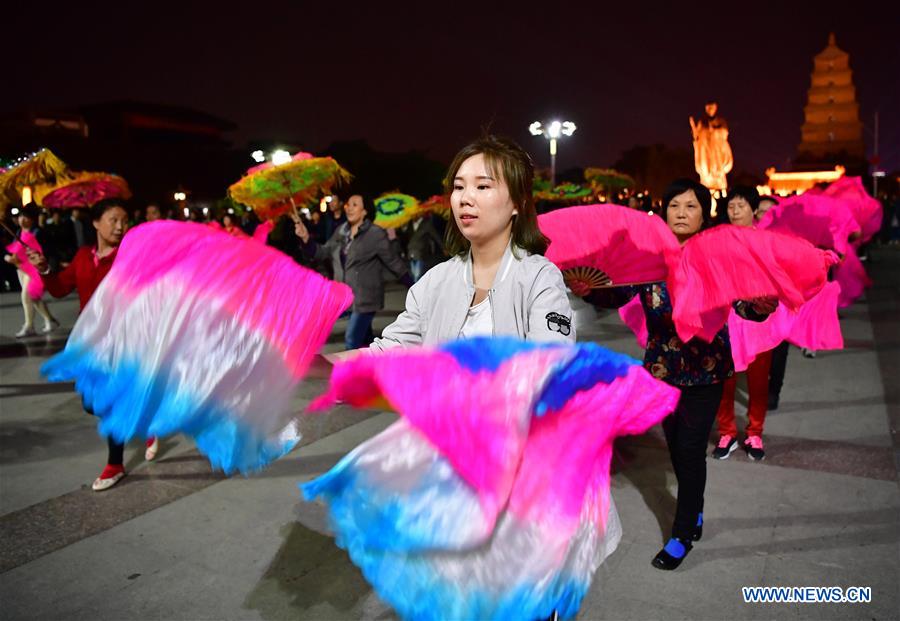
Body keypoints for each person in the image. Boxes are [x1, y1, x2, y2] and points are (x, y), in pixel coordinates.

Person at [586, 179, 776, 570]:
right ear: (664, 212)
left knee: (689, 449)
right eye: (674, 205)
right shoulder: (648, 257)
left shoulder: (718, 256)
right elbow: (617, 292)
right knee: (676, 448)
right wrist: (587, 288)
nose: (682, 213)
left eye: (691, 206)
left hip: (707, 370)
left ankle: (683, 532)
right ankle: (696, 506)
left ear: (704, 215)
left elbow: (745, 305)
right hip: (662, 370)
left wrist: (761, 305)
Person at [369, 135, 574, 349]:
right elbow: (388, 349)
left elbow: (550, 359)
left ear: (518, 203)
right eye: (458, 187)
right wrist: (342, 359)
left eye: (482, 186)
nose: (465, 198)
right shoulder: (434, 281)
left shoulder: (539, 279)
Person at [27, 199, 158, 491]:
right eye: (114, 220)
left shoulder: (130, 257)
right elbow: (59, 289)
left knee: (109, 400)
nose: (120, 226)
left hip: (124, 340)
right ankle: (145, 421)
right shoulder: (83, 256)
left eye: (124, 220)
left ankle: (115, 464)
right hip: (91, 342)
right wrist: (44, 268)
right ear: (96, 223)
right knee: (90, 403)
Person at [294, 194, 411, 350]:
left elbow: (393, 262)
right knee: (366, 342)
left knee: (352, 340)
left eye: (355, 205)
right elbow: (322, 252)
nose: (349, 208)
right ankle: (377, 363)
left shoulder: (375, 233)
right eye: (348, 204)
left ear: (365, 211)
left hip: (366, 298)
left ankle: (353, 367)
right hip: (348, 297)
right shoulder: (341, 231)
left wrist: (414, 286)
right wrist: (306, 238)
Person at [712, 186, 771, 461]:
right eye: (731, 206)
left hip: (758, 321)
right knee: (725, 379)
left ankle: (755, 432)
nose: (735, 211)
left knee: (758, 381)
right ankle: (727, 432)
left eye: (741, 205)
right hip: (726, 318)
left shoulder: (766, 241)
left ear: (754, 210)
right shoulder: (718, 240)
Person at [4, 204, 60, 337]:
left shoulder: (38, 233)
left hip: (34, 269)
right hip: (22, 269)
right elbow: (16, 250)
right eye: (20, 216)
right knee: (33, 297)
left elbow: (46, 252)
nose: (22, 219)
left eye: (26, 217)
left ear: (32, 219)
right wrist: (11, 257)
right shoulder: (18, 233)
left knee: (26, 295)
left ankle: (29, 326)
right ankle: (50, 320)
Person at [404, 214, 445, 282]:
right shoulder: (410, 224)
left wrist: (443, 247)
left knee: (417, 275)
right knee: (413, 274)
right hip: (410, 251)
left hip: (420, 252)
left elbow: (435, 236)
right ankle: (416, 285)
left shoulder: (426, 224)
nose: (413, 216)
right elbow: (406, 236)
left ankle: (417, 286)